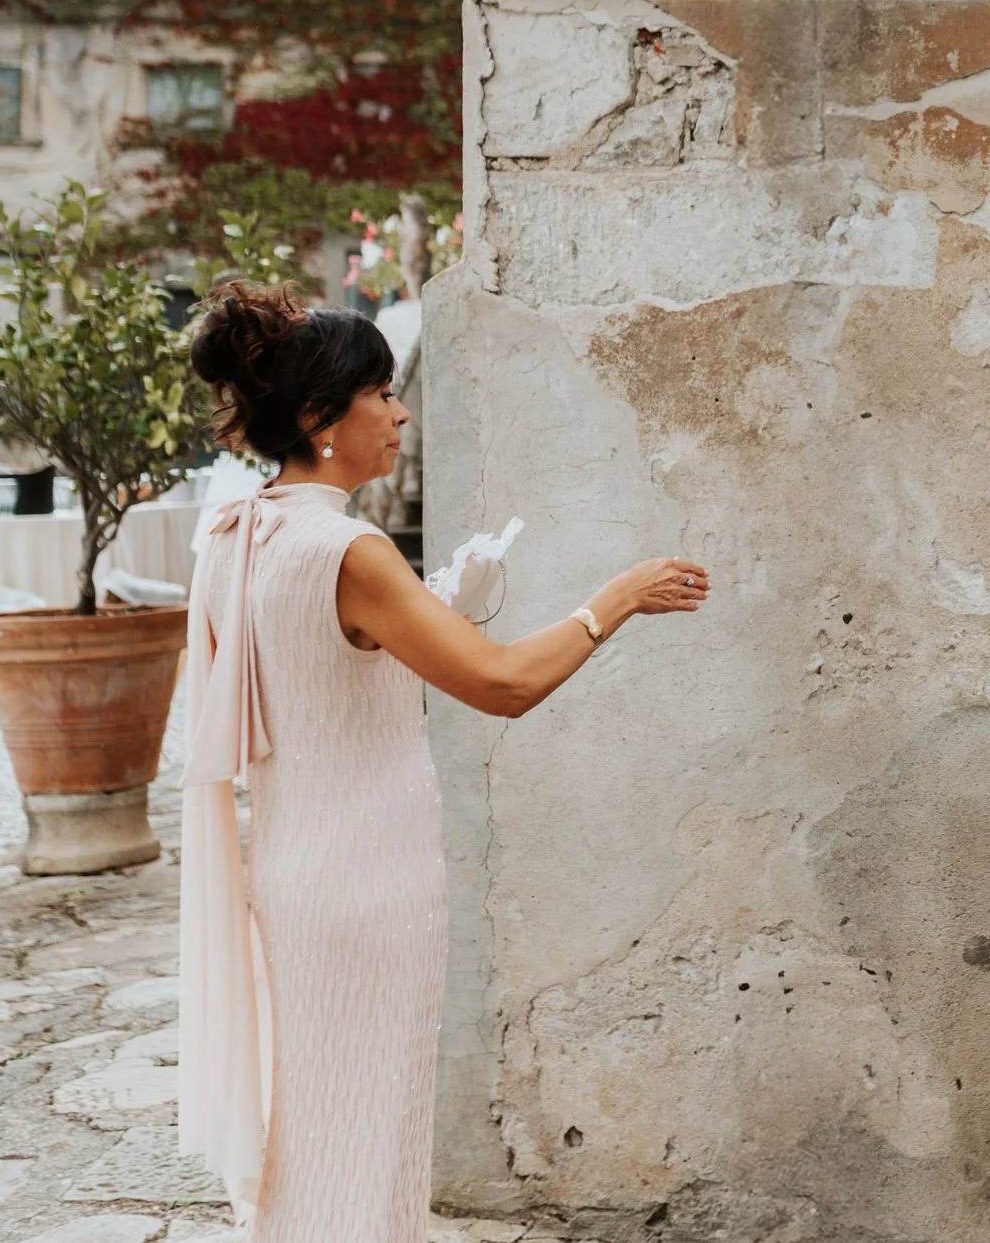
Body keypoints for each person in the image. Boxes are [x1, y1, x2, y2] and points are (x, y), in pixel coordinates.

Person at [175, 284, 710, 1239]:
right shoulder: (350, 549)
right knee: (374, 1140)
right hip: (374, 885)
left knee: (314, 1134)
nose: (399, 411)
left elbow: (313, 672)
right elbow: (502, 684)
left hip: (293, 880)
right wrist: (615, 599)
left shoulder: (230, 538)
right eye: (380, 391)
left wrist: (439, 604)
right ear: (317, 418)